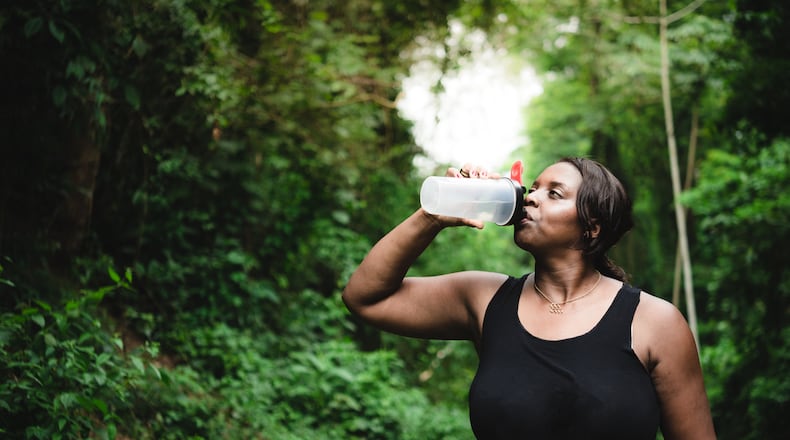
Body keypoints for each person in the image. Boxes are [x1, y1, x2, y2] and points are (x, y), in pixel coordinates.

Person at [342, 157, 716, 439]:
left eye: (554, 193)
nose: (531, 198)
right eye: (533, 188)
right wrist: (432, 216)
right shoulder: (484, 299)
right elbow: (366, 298)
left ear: (591, 228)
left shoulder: (654, 322)